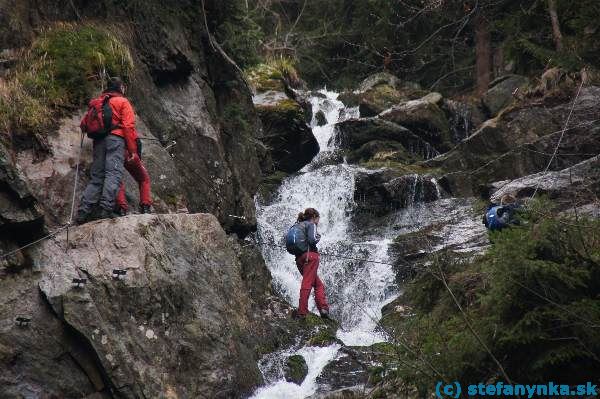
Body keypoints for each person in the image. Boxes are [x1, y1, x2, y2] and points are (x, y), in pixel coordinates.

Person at [76, 77, 138, 224]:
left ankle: (83, 212)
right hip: (116, 141)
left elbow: (84, 125)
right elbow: (128, 127)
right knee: (113, 174)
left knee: (97, 177)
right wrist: (132, 150)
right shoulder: (123, 102)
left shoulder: (97, 103)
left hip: (99, 142)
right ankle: (105, 209)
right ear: (120, 88)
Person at [293, 208, 330, 319]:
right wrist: (319, 237)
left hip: (299, 258)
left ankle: (323, 309)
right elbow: (312, 240)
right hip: (310, 257)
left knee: (318, 285)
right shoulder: (311, 224)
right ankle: (302, 311)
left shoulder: (297, 226)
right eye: (318, 219)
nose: (318, 222)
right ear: (314, 217)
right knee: (307, 283)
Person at [115, 137, 152, 215]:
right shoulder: (125, 124)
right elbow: (134, 138)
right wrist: (134, 153)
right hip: (129, 152)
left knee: (116, 178)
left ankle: (121, 207)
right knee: (144, 178)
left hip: (114, 151)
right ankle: (145, 206)